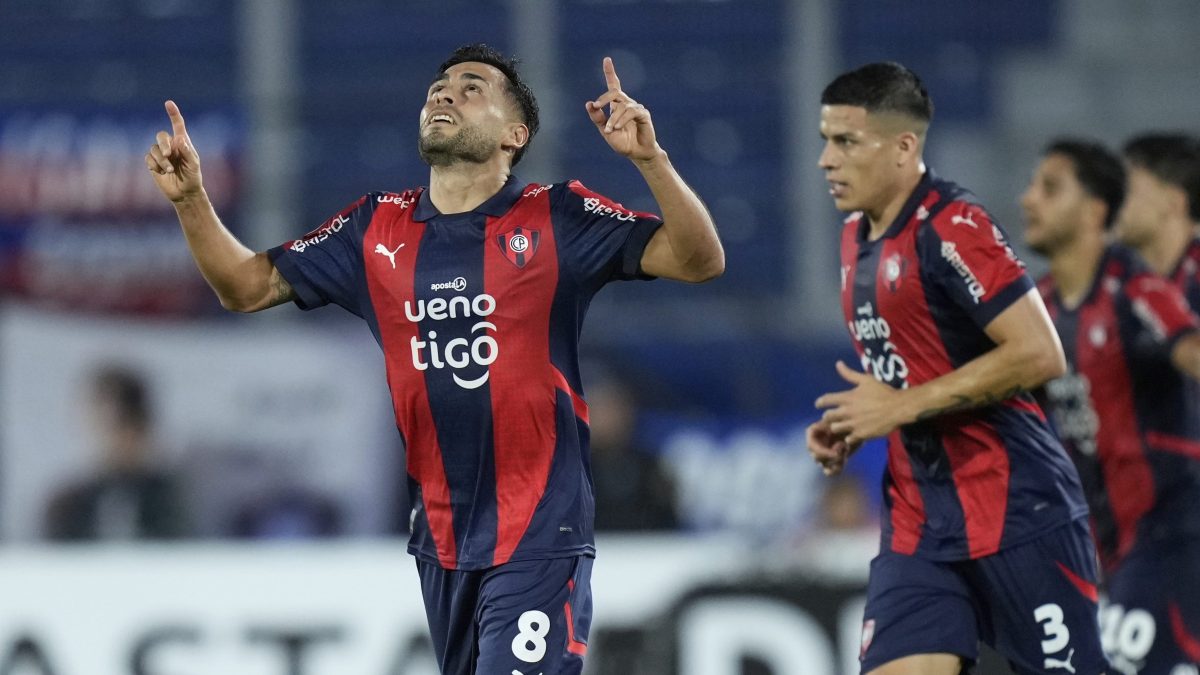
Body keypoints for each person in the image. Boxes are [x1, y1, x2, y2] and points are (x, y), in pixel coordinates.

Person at [145, 43, 723, 674]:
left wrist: (651, 161)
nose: (445, 93)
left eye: (472, 88)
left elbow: (699, 260)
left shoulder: (556, 216)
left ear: (514, 134)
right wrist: (190, 201)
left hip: (539, 534)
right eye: (439, 87)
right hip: (441, 544)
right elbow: (246, 287)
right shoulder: (373, 229)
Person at [805, 63, 1106, 674]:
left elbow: (1040, 352)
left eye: (846, 142)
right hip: (918, 523)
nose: (826, 160)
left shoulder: (953, 227)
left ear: (903, 147)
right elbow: (916, 366)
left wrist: (900, 405)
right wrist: (861, 420)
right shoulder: (852, 238)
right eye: (825, 140)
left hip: (1018, 511)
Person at [1025, 137, 1200, 673]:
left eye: (1049, 188)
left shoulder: (1137, 290)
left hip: (1170, 530)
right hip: (1106, 545)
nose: (1028, 199)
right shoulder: (1042, 308)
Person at [43, 364, 190, 541]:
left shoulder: (174, 501)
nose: (109, 437)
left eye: (120, 423)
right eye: (99, 423)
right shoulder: (66, 507)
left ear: (141, 425)